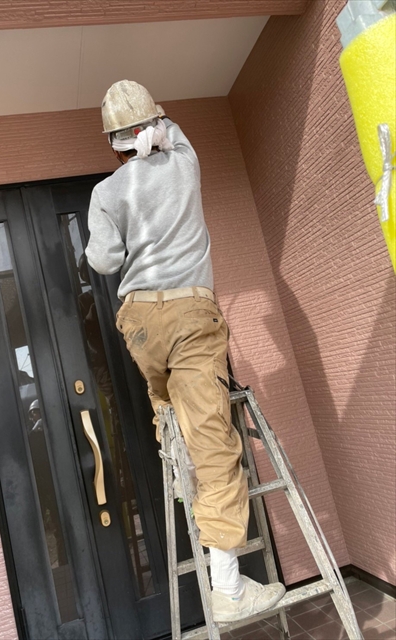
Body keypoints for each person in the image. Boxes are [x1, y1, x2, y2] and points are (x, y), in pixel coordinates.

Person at [85, 79, 285, 622]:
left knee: (168, 408)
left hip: (140, 323)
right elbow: (174, 133)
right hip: (190, 313)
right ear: (152, 127)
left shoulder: (105, 193)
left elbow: (103, 262)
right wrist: (160, 132)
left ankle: (181, 481)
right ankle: (229, 590)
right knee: (213, 442)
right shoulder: (183, 163)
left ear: (112, 143)